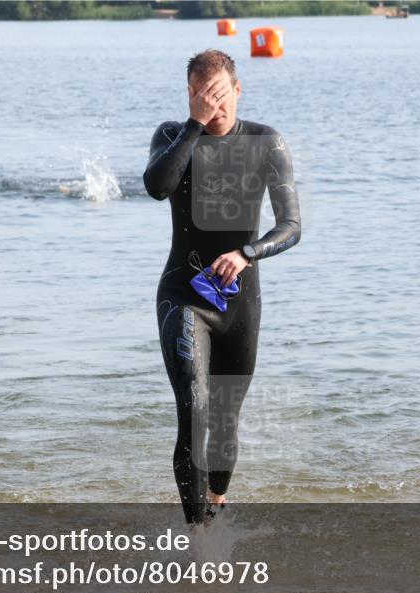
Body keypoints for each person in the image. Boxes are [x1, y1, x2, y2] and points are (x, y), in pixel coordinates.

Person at [143, 50, 301, 526]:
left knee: (225, 423)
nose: (211, 104)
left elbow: (292, 225)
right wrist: (193, 125)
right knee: (194, 409)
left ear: (237, 90)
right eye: (199, 94)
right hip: (184, 296)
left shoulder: (265, 142)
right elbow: (157, 186)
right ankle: (197, 537)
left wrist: (247, 253)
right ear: (190, 94)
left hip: (240, 304)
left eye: (218, 93)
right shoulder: (173, 135)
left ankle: (215, 502)